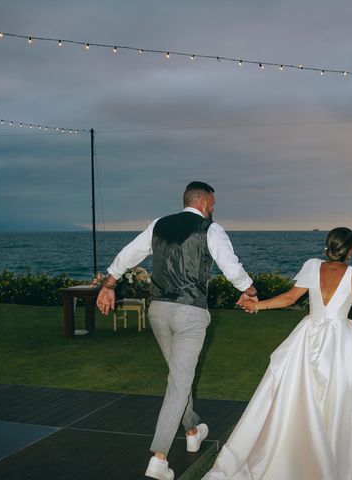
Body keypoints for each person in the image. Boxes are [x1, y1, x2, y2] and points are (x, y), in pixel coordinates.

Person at [96, 181, 258, 480]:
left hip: (158, 312)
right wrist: (248, 289)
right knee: (179, 384)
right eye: (213, 203)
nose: (214, 208)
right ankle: (159, 459)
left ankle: (193, 429)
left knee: (177, 376)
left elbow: (129, 254)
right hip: (190, 313)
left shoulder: (159, 225)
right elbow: (229, 264)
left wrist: (108, 285)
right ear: (204, 200)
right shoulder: (211, 229)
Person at [203, 227, 352, 480]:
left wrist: (257, 305)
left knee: (301, 394)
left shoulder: (312, 266)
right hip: (343, 341)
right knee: (343, 396)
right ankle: (337, 453)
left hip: (309, 335)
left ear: (328, 247)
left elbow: (289, 298)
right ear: (351, 249)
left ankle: (301, 447)